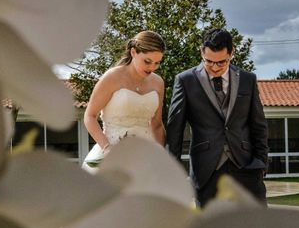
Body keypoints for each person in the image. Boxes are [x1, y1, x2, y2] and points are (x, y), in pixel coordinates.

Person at [166, 28, 268, 207]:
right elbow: (175, 129)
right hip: (206, 170)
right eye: (209, 61)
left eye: (221, 62)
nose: (214, 68)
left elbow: (258, 125)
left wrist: (261, 163)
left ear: (232, 53)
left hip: (247, 166)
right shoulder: (185, 80)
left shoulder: (247, 79)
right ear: (201, 52)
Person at [82, 30, 166, 171]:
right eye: (147, 61)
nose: (152, 67)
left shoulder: (158, 83)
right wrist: (107, 149)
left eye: (157, 63)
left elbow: (157, 125)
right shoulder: (112, 77)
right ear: (133, 52)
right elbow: (89, 116)